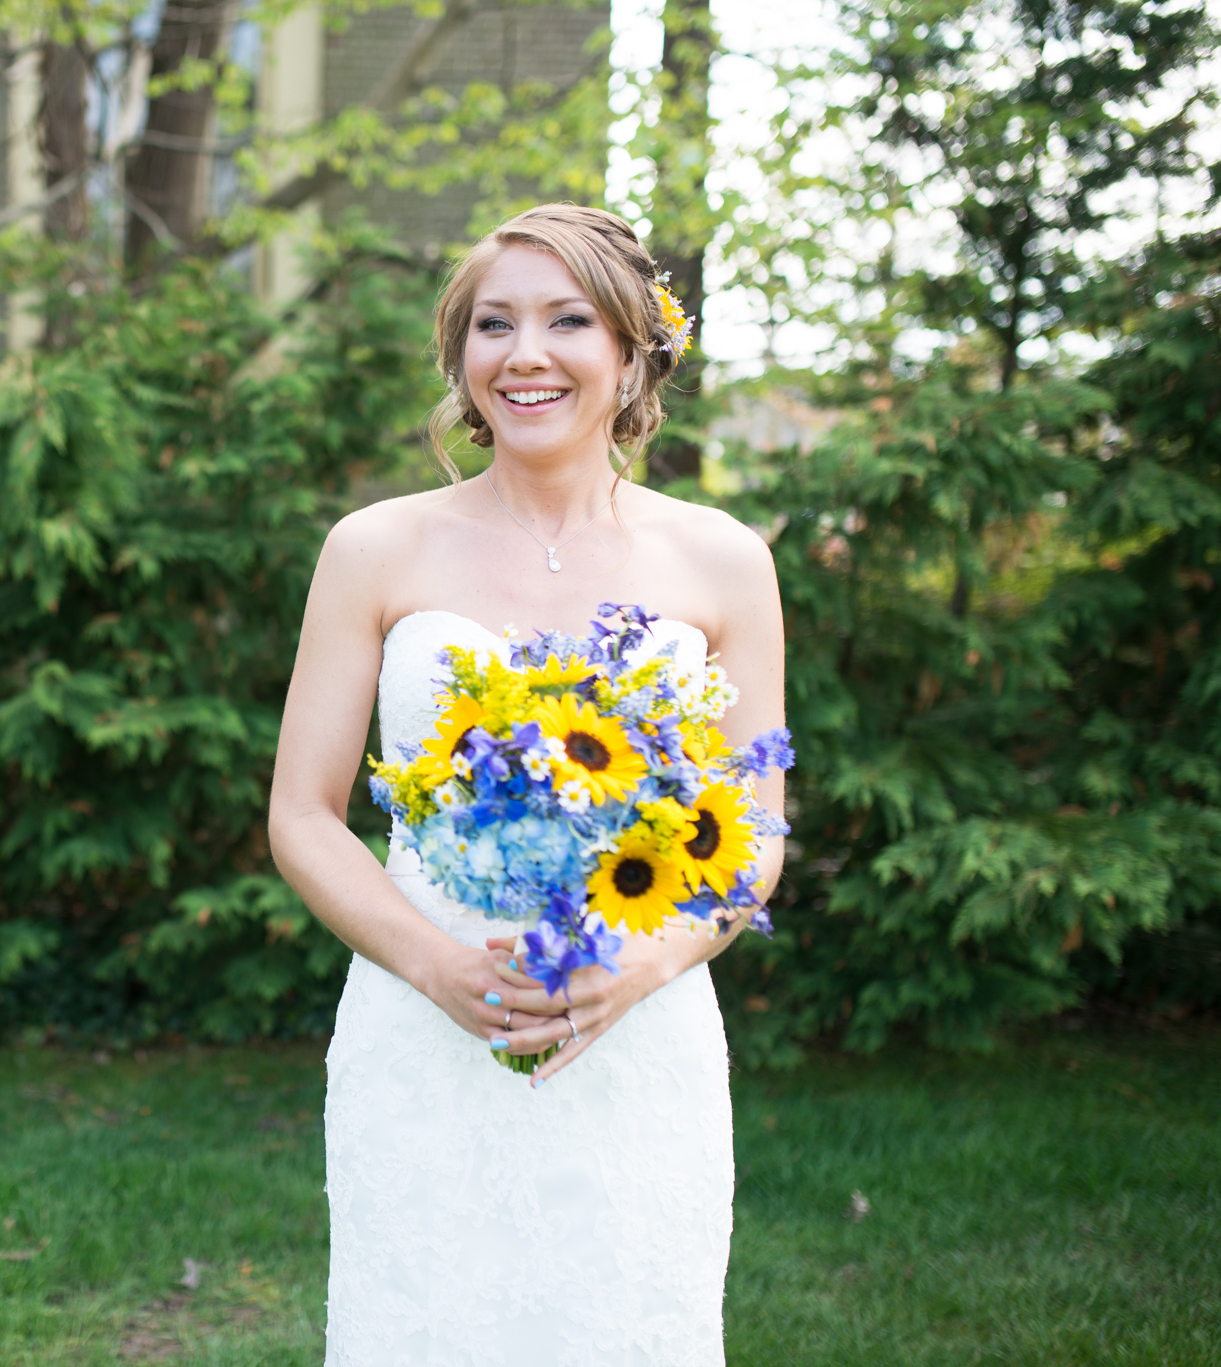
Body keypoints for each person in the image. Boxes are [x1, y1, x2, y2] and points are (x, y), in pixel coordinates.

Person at [267, 203, 786, 1366]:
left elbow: (750, 837)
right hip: (420, 1023)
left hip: (635, 1033)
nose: (524, 353)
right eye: (490, 324)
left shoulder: (720, 560)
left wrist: (638, 965)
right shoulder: (372, 548)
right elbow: (302, 814)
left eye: (565, 320)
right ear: (459, 357)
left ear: (632, 348)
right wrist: (433, 961)